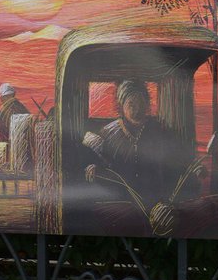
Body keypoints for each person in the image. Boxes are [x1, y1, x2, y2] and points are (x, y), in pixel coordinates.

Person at [82, 80, 192, 212]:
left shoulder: (159, 130)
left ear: (147, 104)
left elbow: (175, 158)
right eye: (131, 105)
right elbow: (95, 157)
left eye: (141, 103)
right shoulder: (108, 132)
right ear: (122, 106)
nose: (137, 109)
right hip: (119, 200)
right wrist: (93, 166)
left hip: (154, 200)